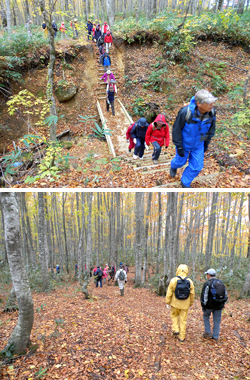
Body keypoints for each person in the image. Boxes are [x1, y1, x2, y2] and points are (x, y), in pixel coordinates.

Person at [170, 89, 217, 188]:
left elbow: (211, 130)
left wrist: (206, 144)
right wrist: (179, 146)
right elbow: (176, 130)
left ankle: (185, 182)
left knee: (197, 166)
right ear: (199, 103)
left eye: (212, 102)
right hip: (184, 144)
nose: (212, 104)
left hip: (198, 145)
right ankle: (173, 166)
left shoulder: (211, 113)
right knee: (180, 162)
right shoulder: (185, 112)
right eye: (209, 102)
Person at [165, 264, 195, 342]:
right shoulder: (190, 281)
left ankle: (175, 329)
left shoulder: (174, 280)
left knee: (174, 315)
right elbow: (192, 294)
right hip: (185, 305)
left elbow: (169, 292)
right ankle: (181, 336)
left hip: (175, 303)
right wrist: (190, 303)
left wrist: (167, 302)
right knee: (183, 320)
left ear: (178, 270)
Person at [200, 268, 228, 342]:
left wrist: (204, 306)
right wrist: (222, 303)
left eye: (207, 274)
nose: (206, 275)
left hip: (209, 306)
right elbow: (225, 294)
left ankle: (208, 332)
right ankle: (215, 336)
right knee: (217, 321)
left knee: (206, 316)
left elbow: (204, 296)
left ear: (209, 275)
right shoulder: (220, 283)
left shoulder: (207, 284)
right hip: (219, 306)